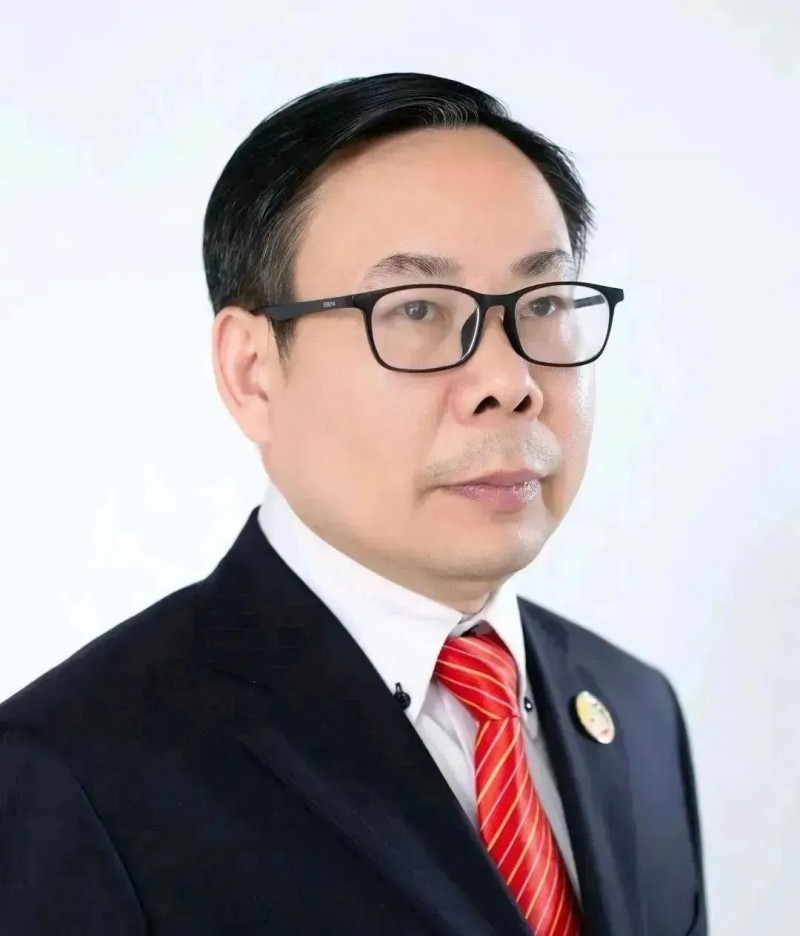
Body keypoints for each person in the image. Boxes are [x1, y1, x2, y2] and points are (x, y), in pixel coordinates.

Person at [0, 73, 706, 935]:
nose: (509, 380)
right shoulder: (73, 772)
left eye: (546, 302)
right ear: (252, 372)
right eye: (416, 309)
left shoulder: (636, 711)